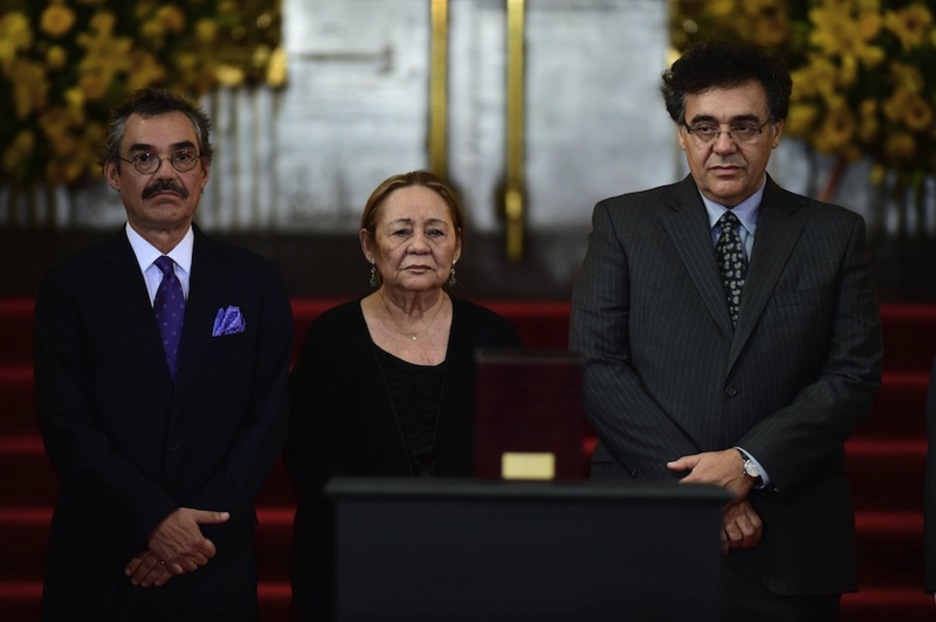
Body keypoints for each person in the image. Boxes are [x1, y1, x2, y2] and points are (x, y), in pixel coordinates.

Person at [569, 40, 882, 620]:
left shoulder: (833, 234)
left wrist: (748, 463)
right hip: (649, 520)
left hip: (789, 532)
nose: (724, 145)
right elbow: (595, 364)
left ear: (775, 130)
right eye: (705, 127)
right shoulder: (623, 223)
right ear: (682, 134)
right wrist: (703, 489)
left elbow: (852, 375)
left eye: (744, 126)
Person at [34, 88, 293, 621]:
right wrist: (154, 520)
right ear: (113, 173)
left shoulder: (256, 283)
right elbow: (66, 423)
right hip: (105, 556)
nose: (165, 174)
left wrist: (191, 529)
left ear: (205, 171)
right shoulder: (70, 286)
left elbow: (268, 417)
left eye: (182, 156)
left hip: (212, 553)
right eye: (144, 158)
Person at [285, 170, 521, 619]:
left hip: (472, 564)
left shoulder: (494, 337)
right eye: (400, 231)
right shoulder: (332, 338)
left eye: (436, 232)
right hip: (356, 561)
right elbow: (309, 465)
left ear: (458, 245)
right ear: (369, 246)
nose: (419, 245)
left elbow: (518, 454)